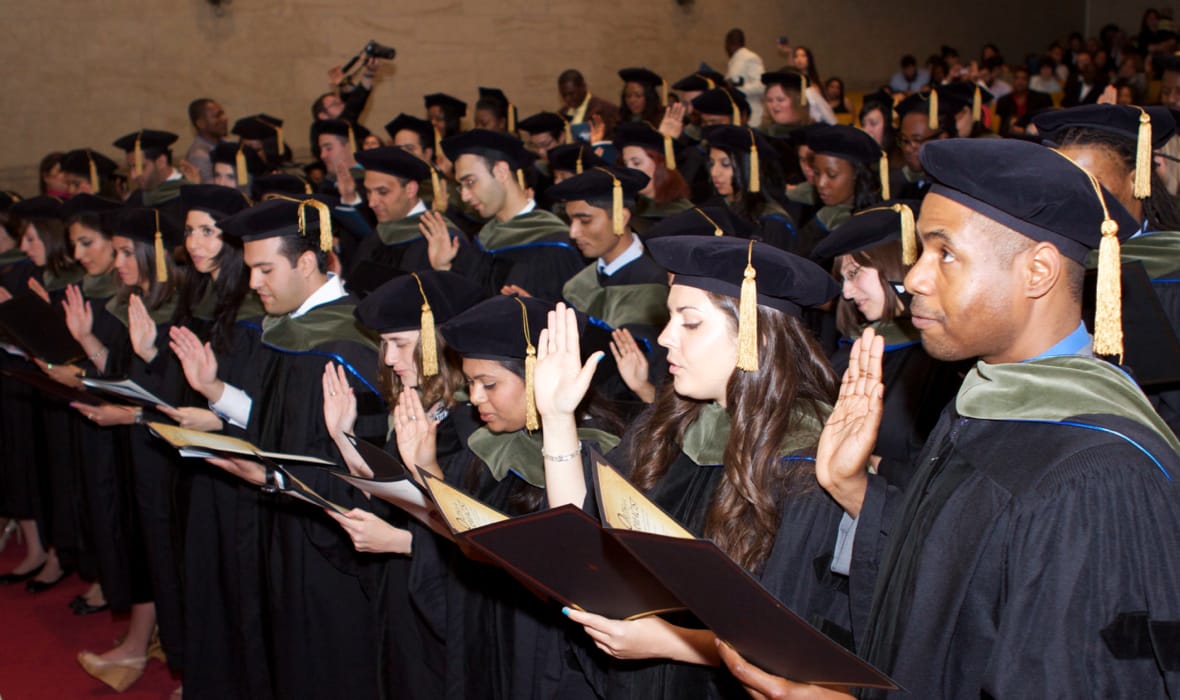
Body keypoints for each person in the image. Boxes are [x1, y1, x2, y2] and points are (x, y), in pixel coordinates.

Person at [720, 137, 1180, 699]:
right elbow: (959, 586)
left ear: (1037, 271)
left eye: (945, 253)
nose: (912, 278)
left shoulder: (1097, 475)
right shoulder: (988, 402)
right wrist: (851, 486)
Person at [534, 233, 845, 699]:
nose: (664, 337)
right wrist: (557, 420)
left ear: (752, 337)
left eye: (690, 322)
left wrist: (673, 641)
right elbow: (583, 543)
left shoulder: (806, 464)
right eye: (669, 317)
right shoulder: (671, 425)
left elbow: (793, 648)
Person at [185, 197, 387, 699]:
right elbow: (277, 422)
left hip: (335, 542)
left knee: (331, 661)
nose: (253, 283)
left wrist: (276, 478)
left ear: (306, 262)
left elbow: (363, 465)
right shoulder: (287, 330)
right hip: (286, 524)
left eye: (264, 269)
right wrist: (215, 392)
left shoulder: (350, 342)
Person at [423, 293, 621, 699]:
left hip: (551, 655)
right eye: (470, 383)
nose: (475, 398)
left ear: (536, 377)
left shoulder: (600, 458)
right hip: (490, 636)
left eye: (488, 384)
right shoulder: (483, 449)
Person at [326, 269, 486, 700]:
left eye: (400, 343)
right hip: (402, 586)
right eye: (385, 345)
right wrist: (345, 438)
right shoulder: (422, 406)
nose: (391, 359)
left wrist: (401, 543)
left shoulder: (475, 423)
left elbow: (480, 538)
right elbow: (394, 492)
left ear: (438, 343)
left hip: (447, 593)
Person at [1031, 104, 1180, 433]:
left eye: (1094, 185)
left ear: (1135, 179)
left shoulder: (1172, 269)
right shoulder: (1045, 268)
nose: (1078, 201)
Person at [810, 202, 965, 489]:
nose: (845, 291)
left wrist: (869, 463)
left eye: (854, 273)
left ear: (894, 263)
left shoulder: (947, 364)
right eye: (843, 278)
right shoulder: (850, 352)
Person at [545, 165, 670, 406]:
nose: (573, 232)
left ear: (621, 218)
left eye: (585, 220)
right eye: (570, 221)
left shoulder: (659, 283)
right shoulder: (578, 283)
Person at [440, 129, 585, 300]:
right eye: (461, 186)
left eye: (470, 182)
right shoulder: (484, 241)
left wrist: (536, 311)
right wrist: (443, 267)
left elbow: (579, 315)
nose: (464, 196)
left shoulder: (556, 244)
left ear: (501, 172)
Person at [346, 146, 472, 287]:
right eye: (368, 192)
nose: (371, 203)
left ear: (410, 189)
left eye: (382, 192)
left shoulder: (443, 237)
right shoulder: (377, 237)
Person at [705, 124, 798, 252]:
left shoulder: (773, 223)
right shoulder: (713, 211)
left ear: (749, 167)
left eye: (725, 164)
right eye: (711, 163)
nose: (714, 172)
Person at [797, 125, 886, 258]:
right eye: (816, 173)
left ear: (857, 174)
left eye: (832, 175)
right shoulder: (811, 214)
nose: (821, 183)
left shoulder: (875, 226)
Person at [614, 122, 693, 233]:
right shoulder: (629, 206)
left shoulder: (682, 213)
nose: (629, 170)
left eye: (636, 163)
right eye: (626, 164)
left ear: (660, 164)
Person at [993, 66, 1053, 135]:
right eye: (1017, 78)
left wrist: (1025, 130)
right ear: (1013, 80)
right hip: (1010, 137)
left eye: (1024, 79)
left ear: (1028, 81)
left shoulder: (1042, 99)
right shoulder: (1003, 101)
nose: (1020, 82)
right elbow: (1000, 128)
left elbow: (1045, 122)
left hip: (1033, 136)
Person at [725, 28, 766, 126]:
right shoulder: (733, 61)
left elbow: (761, 85)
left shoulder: (750, 58)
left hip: (752, 116)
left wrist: (737, 90)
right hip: (737, 116)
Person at [185, 98, 228, 184]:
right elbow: (211, 192)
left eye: (223, 113)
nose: (225, 118)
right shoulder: (199, 155)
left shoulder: (226, 145)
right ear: (201, 124)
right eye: (217, 116)